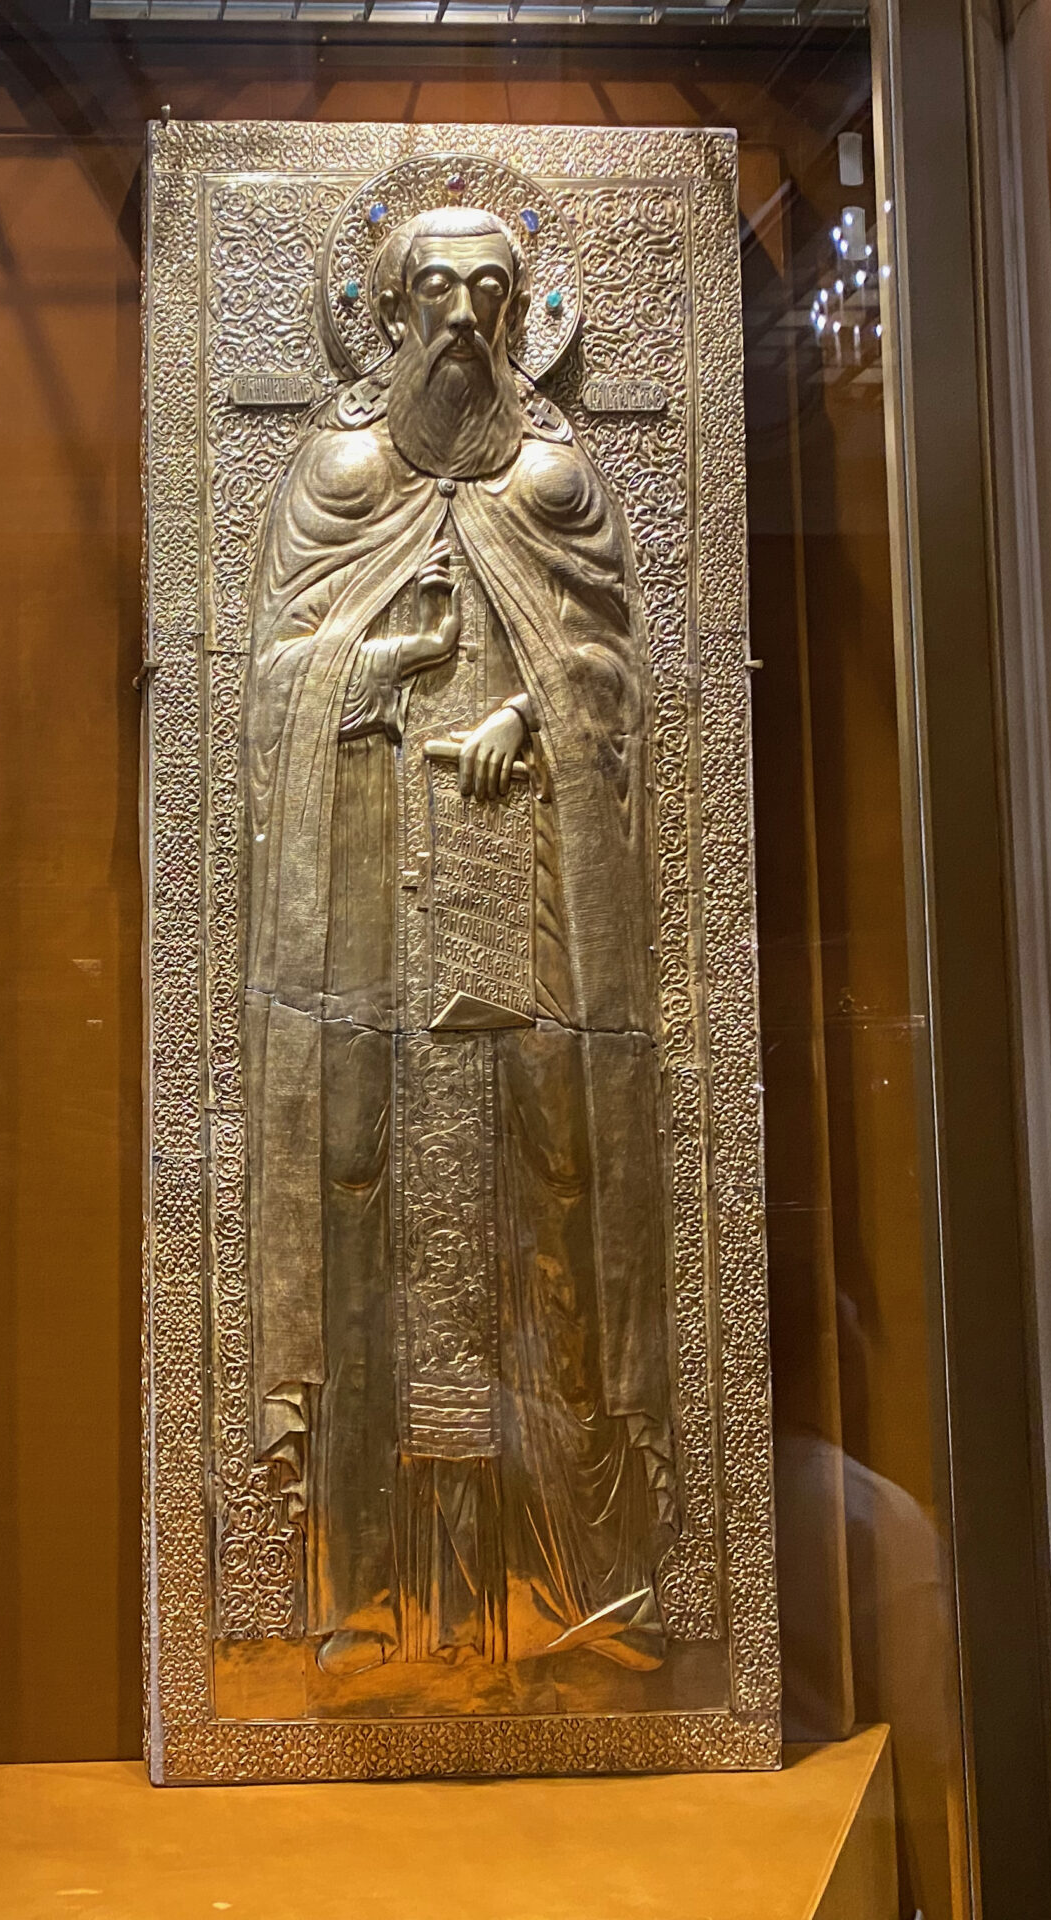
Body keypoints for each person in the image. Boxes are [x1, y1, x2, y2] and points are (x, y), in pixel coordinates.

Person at [241, 203, 675, 1678]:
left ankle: (561, 1594)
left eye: (493, 292)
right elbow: (274, 683)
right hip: (366, 915)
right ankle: (359, 1594)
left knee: (546, 1195)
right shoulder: (341, 475)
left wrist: (528, 714)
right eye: (436, 290)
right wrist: (379, 664)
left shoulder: (555, 481)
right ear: (388, 309)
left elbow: (612, 670)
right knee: (356, 1194)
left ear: (522, 314)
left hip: (527, 907)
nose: (465, 320)